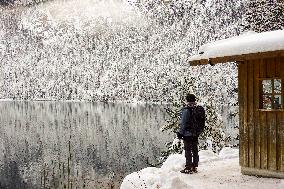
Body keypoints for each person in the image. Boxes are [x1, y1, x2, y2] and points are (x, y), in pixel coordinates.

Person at [177, 93, 205, 174]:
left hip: (187, 134)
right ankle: (194, 166)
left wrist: (180, 133)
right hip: (195, 133)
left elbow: (183, 123)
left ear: (187, 100)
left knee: (188, 150)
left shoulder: (186, 110)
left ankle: (188, 167)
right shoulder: (197, 109)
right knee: (195, 150)